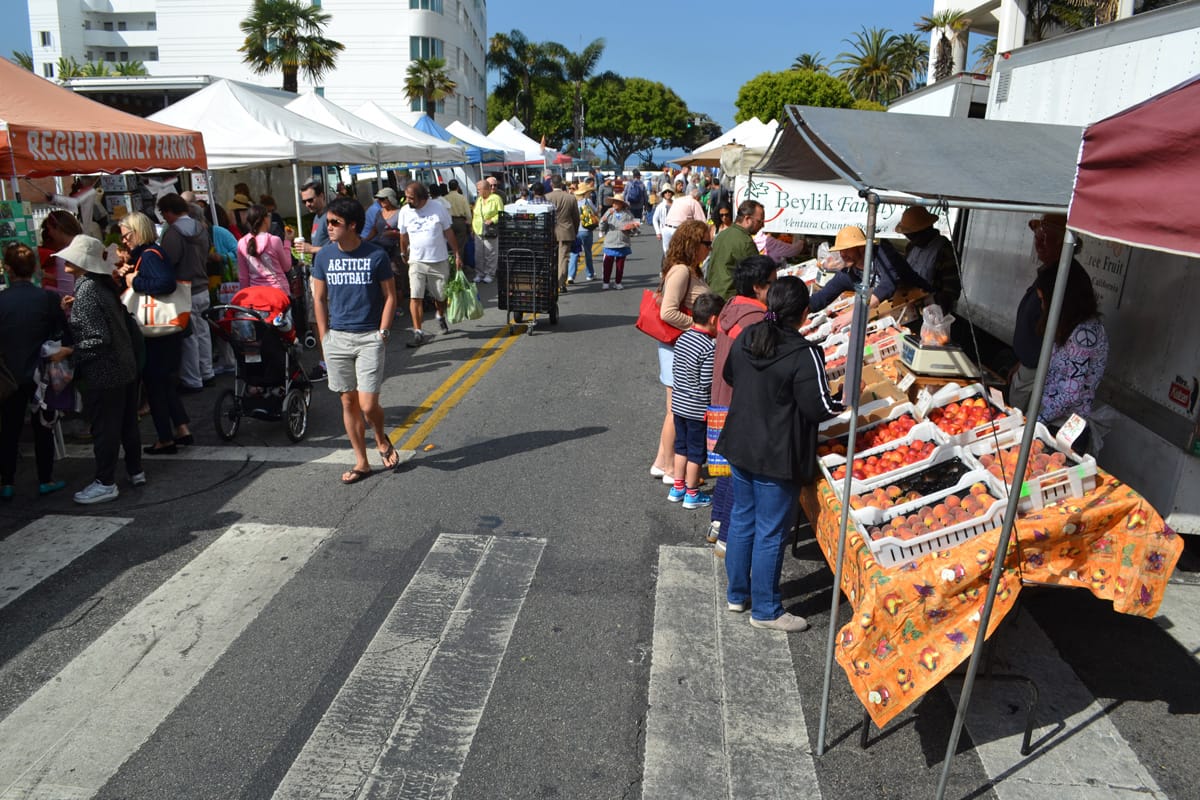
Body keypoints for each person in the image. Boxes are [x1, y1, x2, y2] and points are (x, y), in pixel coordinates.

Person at [716, 276, 844, 632]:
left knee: (743, 519)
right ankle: (767, 610)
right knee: (771, 531)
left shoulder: (746, 338)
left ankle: (737, 594)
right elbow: (820, 407)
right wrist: (847, 396)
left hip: (741, 444)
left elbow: (730, 375)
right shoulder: (804, 353)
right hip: (776, 454)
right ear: (804, 313)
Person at [310, 197, 398, 484]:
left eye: (335, 222)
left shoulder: (376, 256)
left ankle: (380, 438)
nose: (329, 227)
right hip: (337, 338)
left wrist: (383, 332)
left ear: (353, 225)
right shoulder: (323, 256)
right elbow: (319, 299)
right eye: (328, 222)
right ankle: (362, 462)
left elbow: (390, 297)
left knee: (368, 405)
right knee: (348, 402)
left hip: (369, 336)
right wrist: (324, 336)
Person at [59, 236, 144, 504]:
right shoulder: (101, 286)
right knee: (127, 423)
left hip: (105, 371)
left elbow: (97, 338)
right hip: (124, 365)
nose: (64, 261)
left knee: (106, 428)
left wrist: (71, 351)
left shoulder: (87, 290)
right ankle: (135, 470)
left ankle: (106, 481)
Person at [707, 255, 776, 556]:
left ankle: (717, 524)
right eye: (772, 284)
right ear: (759, 287)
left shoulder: (732, 307)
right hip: (739, 402)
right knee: (739, 474)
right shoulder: (755, 320)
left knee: (726, 468)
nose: (774, 289)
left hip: (720, 397)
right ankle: (728, 538)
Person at [0, 243, 74, 499]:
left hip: (9, 374)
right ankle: (46, 478)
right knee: (44, 425)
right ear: (34, 268)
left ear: (8, 269)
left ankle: (6, 481)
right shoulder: (46, 298)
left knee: (9, 429)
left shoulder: (2, 300)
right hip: (41, 371)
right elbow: (62, 333)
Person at [117, 211, 192, 455]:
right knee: (166, 383)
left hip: (156, 332)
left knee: (155, 384)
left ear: (137, 232)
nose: (124, 241)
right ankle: (181, 429)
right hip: (166, 328)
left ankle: (165, 438)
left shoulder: (149, 256)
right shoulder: (151, 254)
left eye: (126, 236)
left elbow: (165, 284)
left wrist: (133, 282)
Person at [650, 220, 713, 485]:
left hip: (682, 346)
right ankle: (669, 466)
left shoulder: (689, 270)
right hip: (679, 346)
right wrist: (699, 327)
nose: (709, 248)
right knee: (677, 409)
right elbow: (668, 311)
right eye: (706, 243)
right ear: (693, 244)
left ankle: (664, 463)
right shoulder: (681, 271)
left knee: (676, 409)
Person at [1033, 261, 1107, 452]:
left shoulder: (1084, 335)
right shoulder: (1070, 326)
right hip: (1053, 420)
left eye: (1044, 300)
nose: (1042, 307)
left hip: (1066, 428)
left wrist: (1038, 420)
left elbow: (1070, 392)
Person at [1010, 213, 1078, 412]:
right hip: (1029, 365)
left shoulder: (1064, 276)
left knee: (1022, 418)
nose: (1038, 243)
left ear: (1062, 244)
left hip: (1040, 370)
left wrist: (1034, 364)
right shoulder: (1048, 271)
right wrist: (1022, 361)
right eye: (1037, 237)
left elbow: (1056, 329)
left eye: (1045, 239)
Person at [669, 293, 725, 509]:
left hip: (679, 404)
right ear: (713, 319)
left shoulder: (683, 338)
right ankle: (692, 493)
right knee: (696, 453)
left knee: (681, 447)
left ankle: (678, 487)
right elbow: (706, 382)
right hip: (697, 409)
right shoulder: (709, 347)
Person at [157, 193, 213, 393]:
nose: (164, 218)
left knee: (189, 337)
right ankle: (207, 373)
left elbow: (169, 261)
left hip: (184, 289)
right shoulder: (200, 227)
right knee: (204, 332)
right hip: (203, 286)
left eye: (164, 213)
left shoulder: (174, 233)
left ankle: (193, 379)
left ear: (170, 211)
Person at [398, 181, 460, 346]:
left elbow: (448, 231)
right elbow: (402, 235)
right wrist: (403, 251)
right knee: (415, 296)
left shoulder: (438, 208)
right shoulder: (405, 211)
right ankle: (418, 332)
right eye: (406, 197)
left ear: (422, 197)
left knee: (440, 296)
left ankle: (440, 314)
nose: (407, 201)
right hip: (416, 260)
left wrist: (457, 253)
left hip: (438, 259)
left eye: (410, 198)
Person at [808, 225, 897, 313]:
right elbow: (822, 297)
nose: (842, 254)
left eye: (847, 250)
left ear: (862, 248)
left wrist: (854, 314)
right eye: (841, 250)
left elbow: (888, 285)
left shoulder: (883, 256)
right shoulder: (847, 273)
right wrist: (800, 309)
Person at [894, 205, 960, 313]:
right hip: (908, 306)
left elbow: (952, 290)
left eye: (912, 236)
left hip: (932, 312)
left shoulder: (945, 250)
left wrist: (930, 304)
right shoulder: (911, 247)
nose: (909, 239)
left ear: (924, 230)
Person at [707, 200, 764, 300]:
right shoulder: (745, 241)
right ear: (747, 219)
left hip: (713, 295)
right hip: (729, 299)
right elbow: (757, 274)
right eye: (759, 221)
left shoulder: (723, 234)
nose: (762, 225)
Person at [237, 204, 292, 294]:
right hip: (279, 293)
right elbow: (287, 267)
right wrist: (287, 242)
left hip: (256, 295)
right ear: (265, 219)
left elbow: (243, 277)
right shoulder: (274, 240)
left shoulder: (242, 243)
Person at [546, 175, 580, 292]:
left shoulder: (547, 198)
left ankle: (552, 281)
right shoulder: (570, 198)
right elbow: (576, 218)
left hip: (550, 233)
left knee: (551, 258)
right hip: (566, 231)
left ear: (551, 184)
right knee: (564, 258)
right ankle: (561, 283)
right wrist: (574, 231)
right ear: (561, 184)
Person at [38, 210, 84, 296]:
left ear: (58, 229)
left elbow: (66, 294)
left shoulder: (64, 256)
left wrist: (44, 289)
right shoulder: (85, 246)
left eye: (50, 229)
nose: (49, 233)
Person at [598, 193, 638, 289]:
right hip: (610, 241)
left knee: (620, 265)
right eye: (613, 202)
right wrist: (603, 220)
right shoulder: (609, 212)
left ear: (621, 204)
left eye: (617, 202)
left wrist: (632, 227)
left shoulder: (628, 214)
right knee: (608, 264)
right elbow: (602, 227)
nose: (614, 204)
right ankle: (606, 282)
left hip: (622, 242)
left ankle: (618, 282)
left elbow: (636, 228)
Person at [472, 178, 503, 284]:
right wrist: (473, 228)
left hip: (490, 230)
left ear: (485, 189)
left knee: (490, 253)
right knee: (479, 254)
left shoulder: (496, 198)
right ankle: (479, 273)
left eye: (478, 189)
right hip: (478, 230)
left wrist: (493, 220)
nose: (477, 191)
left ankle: (490, 273)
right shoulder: (479, 199)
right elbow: (475, 214)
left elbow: (501, 213)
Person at [567, 184, 599, 283]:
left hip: (575, 231)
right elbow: (596, 212)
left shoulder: (573, 202)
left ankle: (570, 276)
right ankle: (589, 274)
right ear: (585, 193)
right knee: (588, 253)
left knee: (574, 253)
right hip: (586, 230)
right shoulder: (587, 201)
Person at [662, 185, 708, 254]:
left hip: (666, 228)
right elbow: (702, 222)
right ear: (697, 197)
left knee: (668, 254)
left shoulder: (678, 200)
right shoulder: (694, 202)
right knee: (680, 253)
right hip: (678, 229)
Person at [445, 179, 472, 269]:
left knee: (450, 245)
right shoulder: (462, 198)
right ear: (457, 187)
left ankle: (451, 266)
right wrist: (469, 223)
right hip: (460, 222)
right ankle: (459, 267)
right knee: (460, 246)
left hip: (448, 222)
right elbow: (468, 213)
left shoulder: (445, 198)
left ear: (449, 187)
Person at [653, 186, 674, 253]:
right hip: (665, 229)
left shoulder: (676, 204)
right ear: (663, 195)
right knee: (667, 250)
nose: (667, 193)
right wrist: (658, 232)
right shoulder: (660, 206)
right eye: (665, 192)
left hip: (676, 229)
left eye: (669, 192)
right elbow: (655, 219)